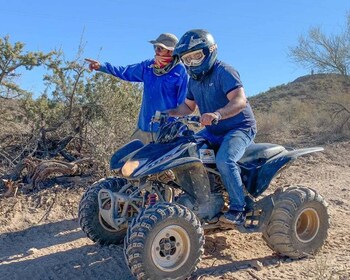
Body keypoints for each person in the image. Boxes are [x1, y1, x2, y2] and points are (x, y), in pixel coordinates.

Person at [166, 29, 257, 225]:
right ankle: (204, 198)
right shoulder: (194, 80)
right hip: (213, 131)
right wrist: (170, 113)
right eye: (187, 59)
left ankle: (238, 208)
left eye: (196, 56)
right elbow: (188, 107)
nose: (192, 63)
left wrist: (217, 114)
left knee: (225, 160)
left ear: (209, 52)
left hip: (238, 128)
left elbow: (240, 101)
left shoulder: (224, 72)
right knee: (185, 151)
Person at [85, 33, 188, 144]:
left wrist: (174, 129)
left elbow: (184, 106)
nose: (156, 51)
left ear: (171, 51)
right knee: (131, 159)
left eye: (160, 48)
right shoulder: (148, 66)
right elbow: (125, 71)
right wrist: (101, 66)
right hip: (143, 128)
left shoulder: (181, 72)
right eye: (155, 47)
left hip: (165, 132)